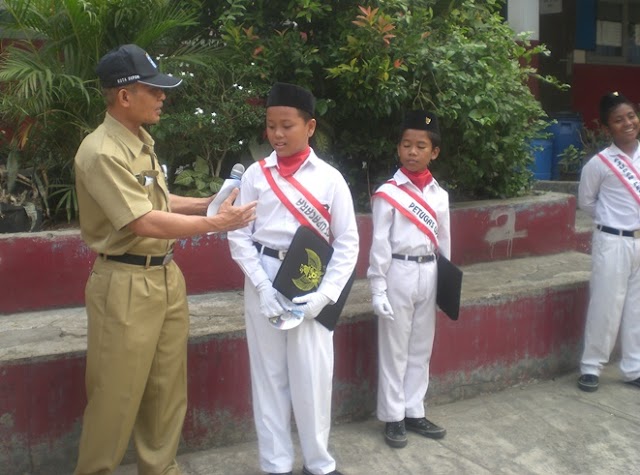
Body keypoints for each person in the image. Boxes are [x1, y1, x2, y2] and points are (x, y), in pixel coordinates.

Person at [73, 44, 257, 475]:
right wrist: (217, 225)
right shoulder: (100, 151)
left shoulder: (138, 140)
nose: (162, 97)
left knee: (166, 390)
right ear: (123, 95)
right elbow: (143, 221)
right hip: (124, 284)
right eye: (152, 90)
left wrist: (205, 204)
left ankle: (161, 468)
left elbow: (154, 199)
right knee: (115, 397)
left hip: (165, 279)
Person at [227, 82, 359, 475]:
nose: (277, 134)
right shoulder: (254, 174)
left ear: (310, 126)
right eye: (271, 126)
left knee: (313, 377)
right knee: (268, 377)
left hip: (309, 280)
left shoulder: (330, 179)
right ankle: (275, 464)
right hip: (263, 277)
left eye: (287, 125)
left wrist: (326, 295)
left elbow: (348, 241)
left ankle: (318, 463)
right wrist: (262, 287)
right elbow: (237, 233)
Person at [367, 110, 450, 448]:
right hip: (398, 272)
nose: (412, 152)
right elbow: (379, 244)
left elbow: (444, 242)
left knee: (420, 347)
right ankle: (392, 416)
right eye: (406, 145)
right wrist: (377, 287)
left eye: (420, 146)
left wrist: (447, 286)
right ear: (398, 149)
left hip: (429, 271)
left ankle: (414, 410)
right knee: (394, 349)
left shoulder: (439, 195)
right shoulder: (389, 193)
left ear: (434, 152)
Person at [577, 91, 640, 392]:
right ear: (606, 128)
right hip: (612, 241)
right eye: (618, 120)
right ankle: (591, 366)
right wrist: (610, 222)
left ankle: (634, 367)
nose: (627, 123)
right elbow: (587, 202)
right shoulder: (599, 164)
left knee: (637, 308)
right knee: (606, 303)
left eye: (631, 116)